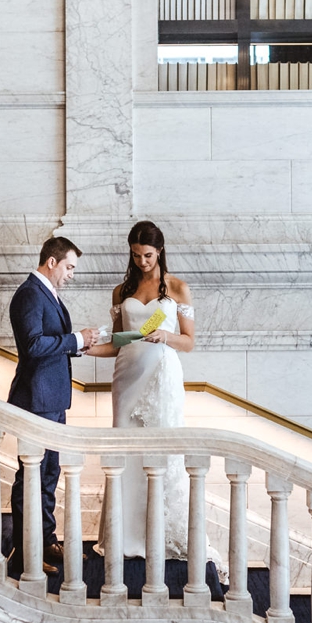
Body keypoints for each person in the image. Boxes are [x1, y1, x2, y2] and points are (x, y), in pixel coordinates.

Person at [86, 221, 222, 578]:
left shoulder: (177, 288)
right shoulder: (121, 291)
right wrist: (82, 349)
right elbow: (118, 341)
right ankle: (123, 535)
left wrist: (167, 335)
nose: (142, 261)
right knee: (125, 454)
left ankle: (159, 535)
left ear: (159, 251)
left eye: (147, 255)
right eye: (135, 255)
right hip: (126, 374)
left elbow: (190, 341)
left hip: (162, 376)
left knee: (161, 450)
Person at [7, 236, 97, 572]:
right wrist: (75, 339)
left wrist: (81, 345)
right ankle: (27, 550)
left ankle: (45, 542)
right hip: (35, 399)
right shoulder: (30, 293)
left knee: (48, 474)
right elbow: (32, 345)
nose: (71, 274)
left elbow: (50, 344)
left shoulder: (48, 294)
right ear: (52, 262)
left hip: (52, 398)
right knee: (31, 476)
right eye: (70, 267)